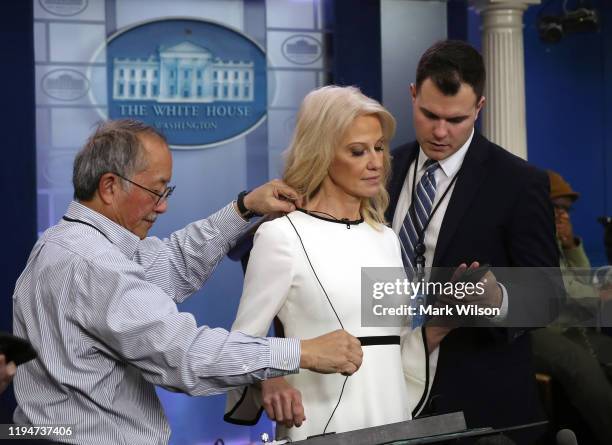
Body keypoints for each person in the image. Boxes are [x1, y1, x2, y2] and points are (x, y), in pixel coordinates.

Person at [11, 119, 363, 445]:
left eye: (167, 190)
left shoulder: (68, 243)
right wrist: (303, 352)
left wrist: (244, 208)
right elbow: (186, 356)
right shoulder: (96, 265)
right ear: (109, 187)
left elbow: (171, 265)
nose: (162, 206)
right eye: (156, 190)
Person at [386, 40, 559, 442]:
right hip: (386, 390)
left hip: (478, 407)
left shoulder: (519, 183)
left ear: (479, 108)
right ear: (412, 95)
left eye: (457, 119)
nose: (441, 131)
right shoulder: (382, 170)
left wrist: (499, 300)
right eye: (429, 115)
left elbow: (550, 295)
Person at [224, 86, 419, 441]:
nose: (376, 162)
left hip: (393, 417)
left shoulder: (385, 238)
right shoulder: (281, 236)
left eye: (379, 147)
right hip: (320, 421)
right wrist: (271, 377)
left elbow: (398, 341)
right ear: (322, 154)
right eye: (358, 151)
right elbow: (242, 344)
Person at [531, 170, 612, 445]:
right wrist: (601, 296)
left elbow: (582, 277)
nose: (563, 215)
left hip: (563, 326)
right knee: (581, 366)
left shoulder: (553, 239)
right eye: (557, 207)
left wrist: (569, 244)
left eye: (566, 210)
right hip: (532, 330)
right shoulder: (530, 237)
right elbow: (565, 291)